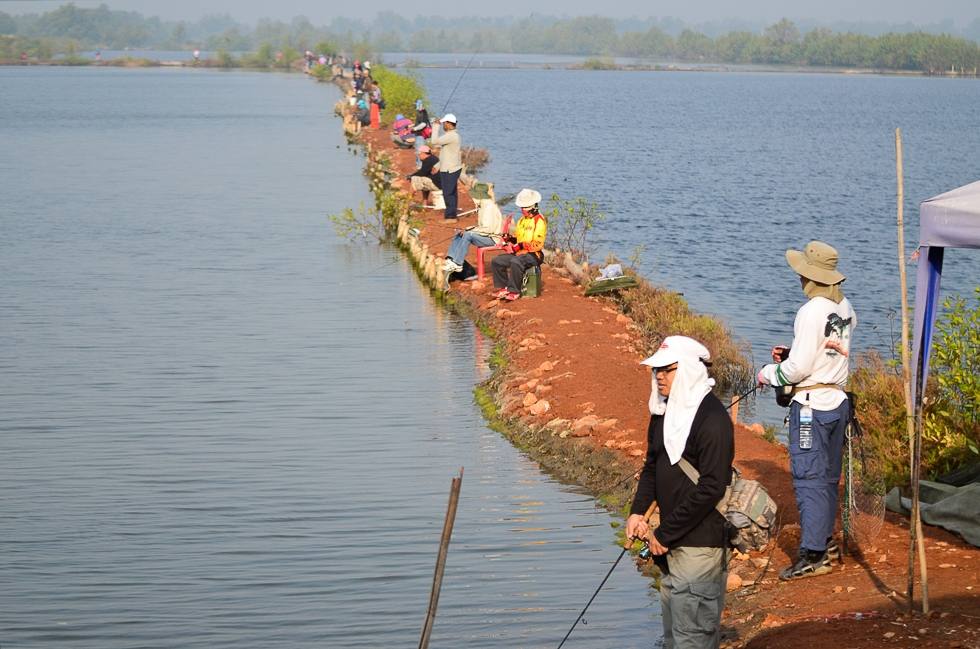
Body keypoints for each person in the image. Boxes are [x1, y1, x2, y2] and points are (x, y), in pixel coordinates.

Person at [626, 335, 734, 649]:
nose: (659, 376)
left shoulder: (713, 420)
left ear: (686, 370)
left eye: (667, 369)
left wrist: (665, 533)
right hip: (670, 543)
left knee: (693, 640)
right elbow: (651, 466)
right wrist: (637, 511)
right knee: (674, 639)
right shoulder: (662, 412)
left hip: (700, 545)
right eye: (656, 370)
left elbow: (712, 487)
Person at [756, 240, 856, 581]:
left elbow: (796, 372)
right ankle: (826, 543)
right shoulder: (846, 309)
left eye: (802, 273)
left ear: (812, 277)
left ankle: (813, 554)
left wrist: (768, 373)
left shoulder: (810, 310)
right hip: (838, 403)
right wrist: (791, 353)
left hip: (810, 407)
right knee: (828, 478)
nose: (799, 279)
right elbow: (826, 352)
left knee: (808, 479)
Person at [490, 189, 546, 301]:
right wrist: (509, 238)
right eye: (522, 207)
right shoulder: (521, 220)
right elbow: (518, 239)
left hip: (534, 255)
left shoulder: (539, 221)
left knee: (516, 261)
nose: (523, 210)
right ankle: (504, 288)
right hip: (520, 253)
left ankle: (514, 291)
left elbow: (537, 245)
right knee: (497, 261)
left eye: (525, 207)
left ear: (533, 207)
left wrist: (520, 246)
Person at [442, 191, 507, 275]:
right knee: (459, 232)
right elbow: (482, 226)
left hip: (492, 239)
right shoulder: (483, 205)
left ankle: (457, 264)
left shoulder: (489, 208)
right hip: (487, 235)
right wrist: (469, 228)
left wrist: (470, 231)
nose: (473, 199)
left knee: (468, 235)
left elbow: (487, 230)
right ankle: (451, 259)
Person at [428, 114, 462, 221]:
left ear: (448, 123)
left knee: (448, 193)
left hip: (450, 169)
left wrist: (435, 127)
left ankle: (450, 217)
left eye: (444, 123)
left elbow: (434, 142)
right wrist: (438, 165)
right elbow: (446, 153)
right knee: (451, 192)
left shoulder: (452, 136)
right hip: (449, 167)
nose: (443, 125)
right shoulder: (451, 135)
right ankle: (451, 215)